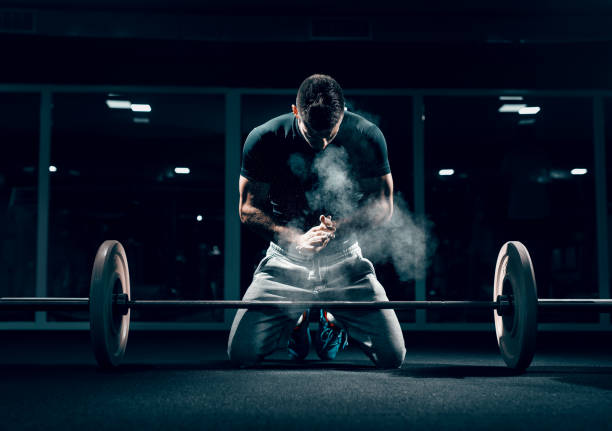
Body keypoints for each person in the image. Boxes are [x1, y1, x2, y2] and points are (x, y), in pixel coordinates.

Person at [227, 74, 406, 368]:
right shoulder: (265, 138)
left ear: (343, 112)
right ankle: (295, 319)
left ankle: (332, 318)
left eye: (330, 134)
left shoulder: (367, 134)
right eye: (313, 134)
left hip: (345, 260)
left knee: (393, 357)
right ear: (295, 111)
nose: (322, 143)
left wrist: (339, 229)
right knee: (240, 354)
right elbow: (247, 208)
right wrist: (295, 239)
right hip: (286, 260)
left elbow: (383, 204)